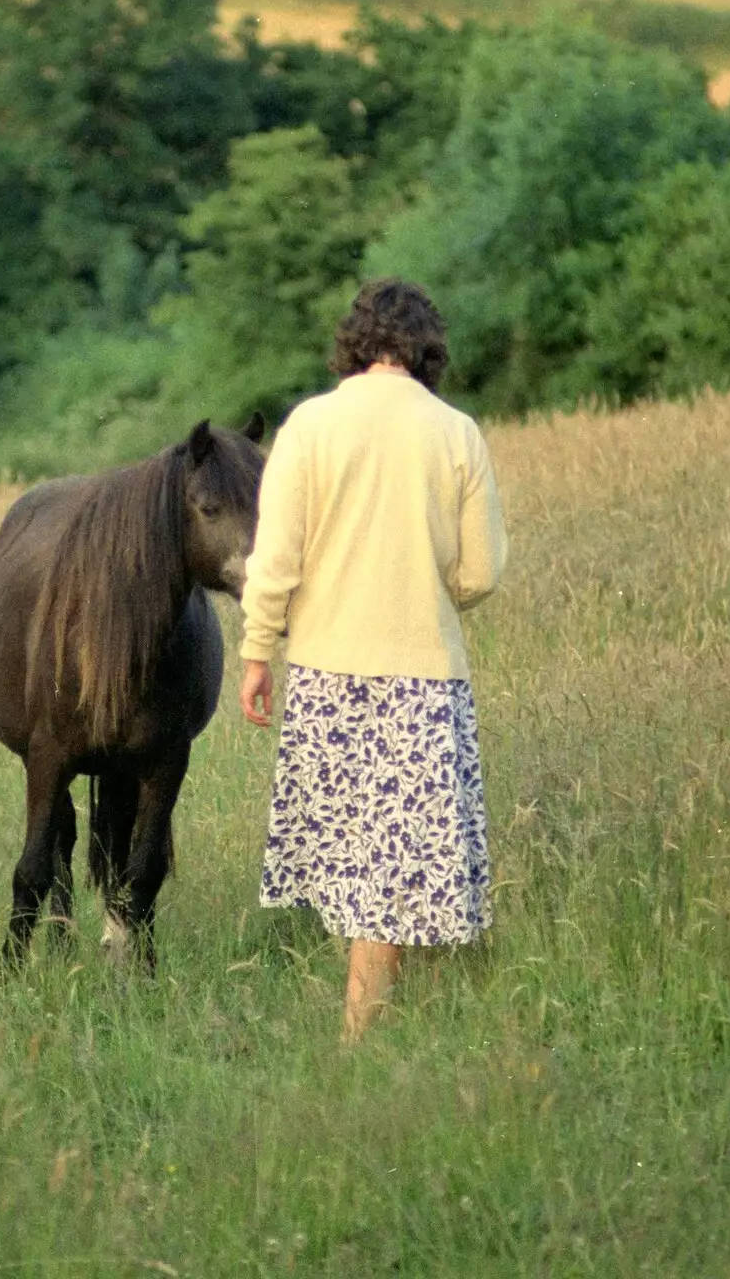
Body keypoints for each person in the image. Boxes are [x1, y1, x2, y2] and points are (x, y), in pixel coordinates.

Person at [239, 278, 507, 1043]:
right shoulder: (455, 432)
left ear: (354, 343)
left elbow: (274, 559)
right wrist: (433, 587)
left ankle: (367, 1030)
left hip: (325, 670)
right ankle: (368, 1035)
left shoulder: (309, 425)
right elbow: (481, 573)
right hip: (423, 674)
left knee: (360, 861)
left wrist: (257, 651)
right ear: (427, 349)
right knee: (398, 865)